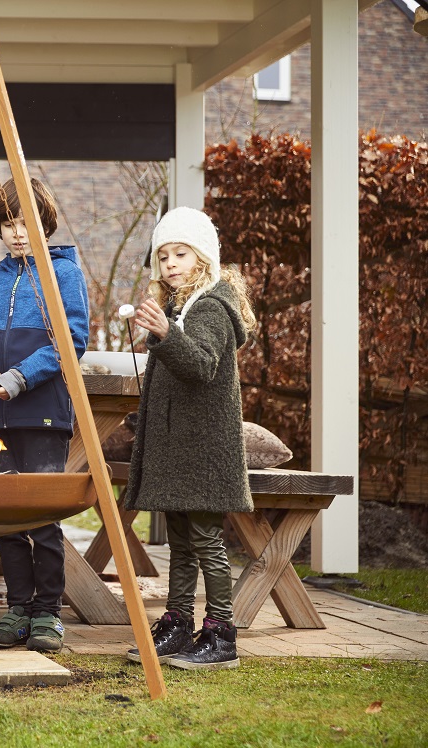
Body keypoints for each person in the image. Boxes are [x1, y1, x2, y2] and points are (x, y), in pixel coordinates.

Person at [124, 206, 257, 670]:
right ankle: (178, 623)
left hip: (203, 452)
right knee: (180, 541)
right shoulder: (180, 307)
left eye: (180, 253)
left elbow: (201, 365)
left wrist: (163, 333)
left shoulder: (211, 307)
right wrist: (159, 331)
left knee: (205, 540)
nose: (170, 264)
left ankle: (221, 634)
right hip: (180, 450)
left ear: (202, 256)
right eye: (163, 257)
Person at [0, 178, 90, 654]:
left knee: (42, 515)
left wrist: (18, 377)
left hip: (44, 413)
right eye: (7, 223)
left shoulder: (65, 275)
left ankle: (48, 614)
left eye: (26, 223)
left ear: (45, 225)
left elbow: (70, 341)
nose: (16, 233)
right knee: (5, 515)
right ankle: (17, 609)